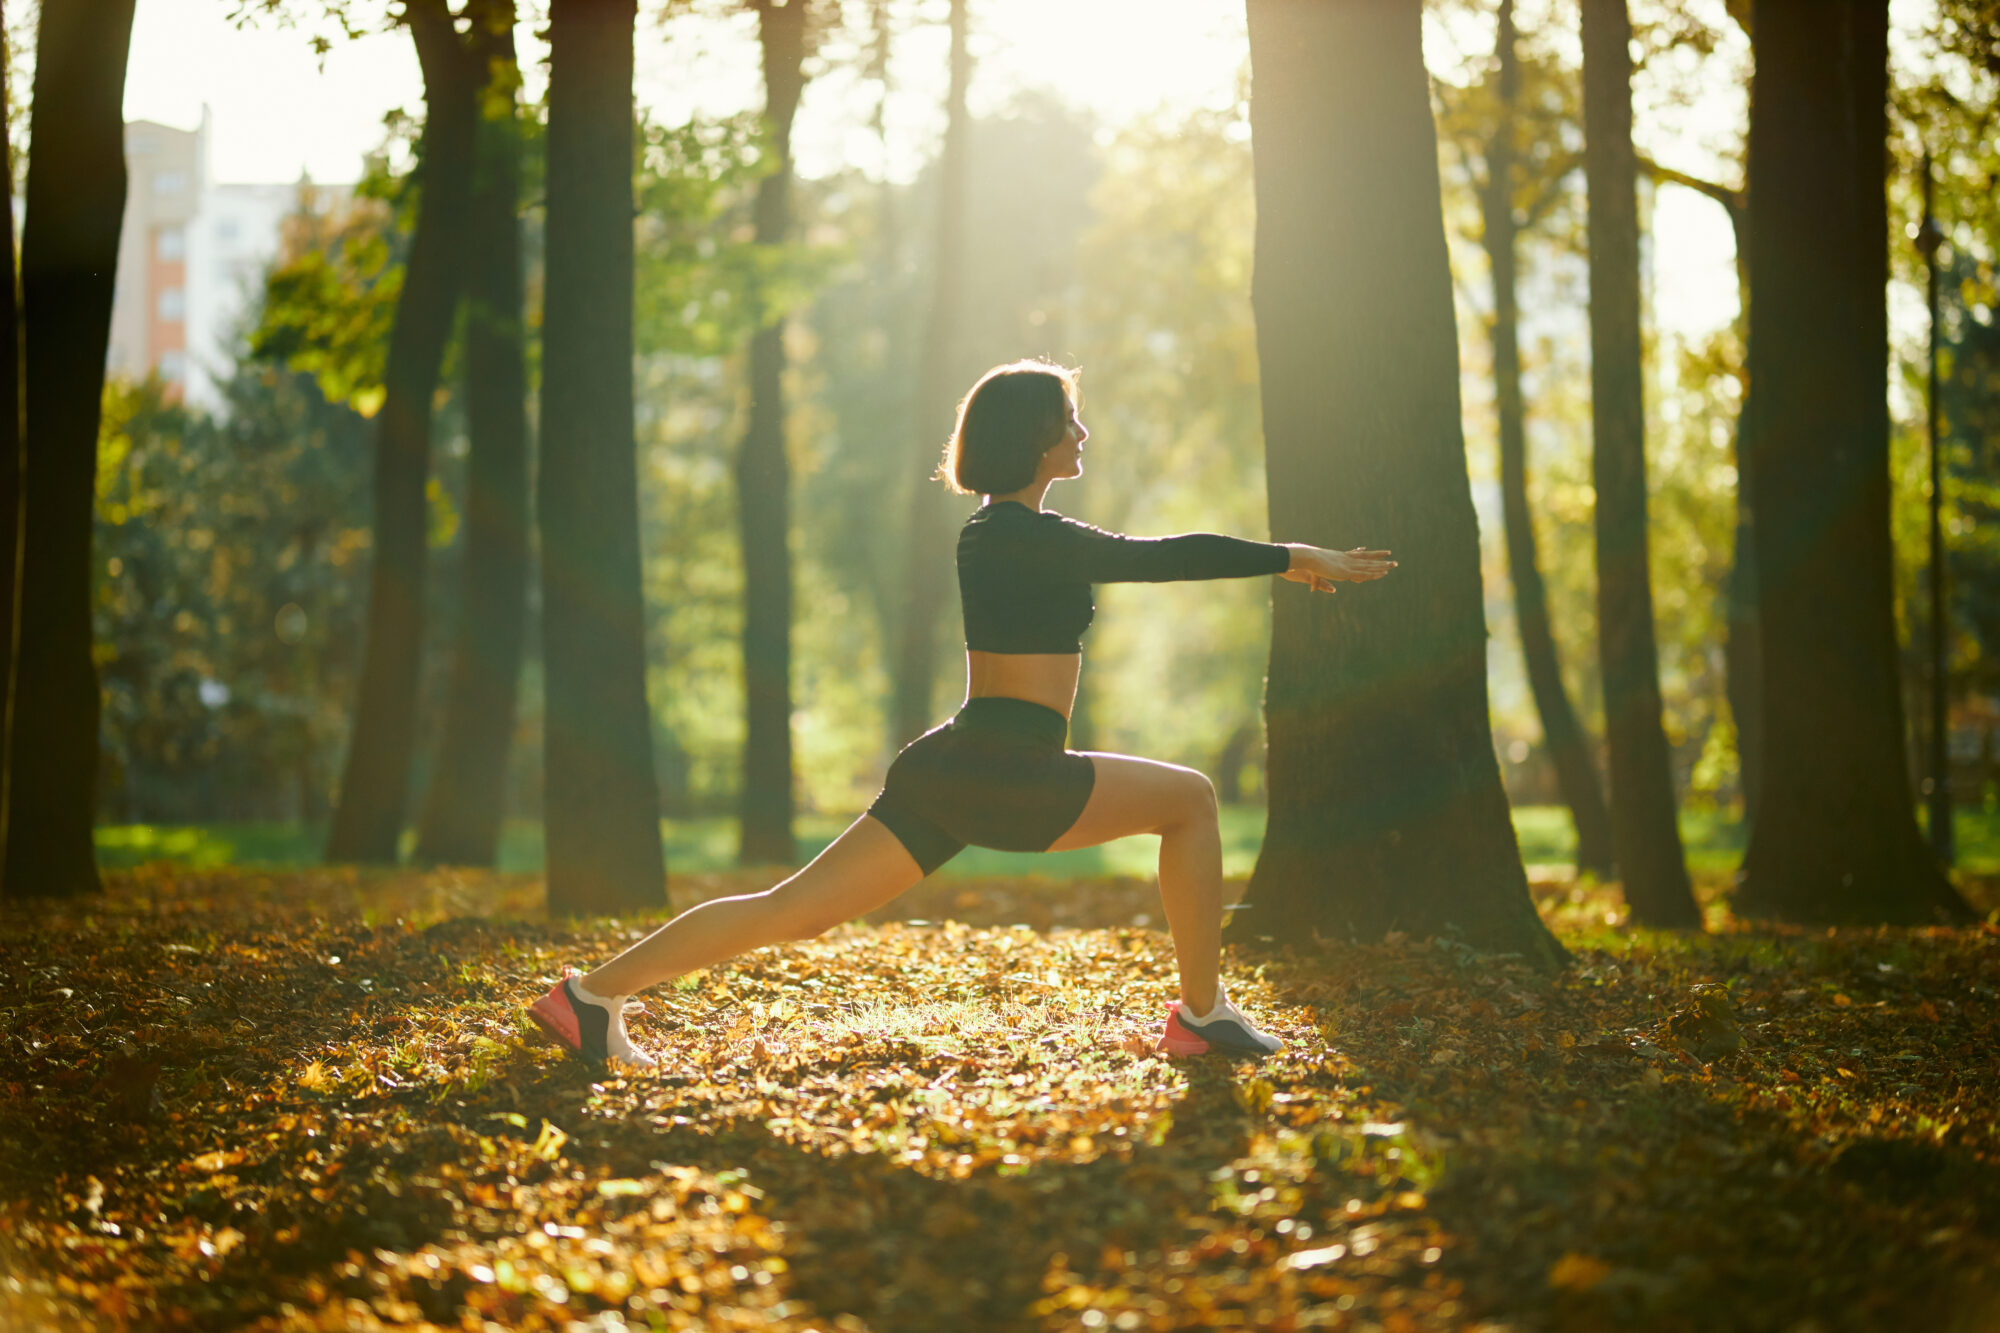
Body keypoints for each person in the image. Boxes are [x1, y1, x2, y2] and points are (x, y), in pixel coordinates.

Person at [526, 359, 1394, 1066]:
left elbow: (1138, 555)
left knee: (792, 908)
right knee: (1193, 799)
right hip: (1007, 770)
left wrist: (1284, 559)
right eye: (1070, 418)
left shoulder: (1003, 533)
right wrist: (1288, 555)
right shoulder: (1022, 537)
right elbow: (1157, 558)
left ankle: (589, 996)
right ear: (1036, 437)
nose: (1081, 432)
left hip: (960, 764)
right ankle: (1202, 1015)